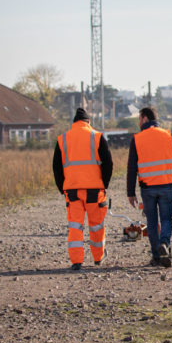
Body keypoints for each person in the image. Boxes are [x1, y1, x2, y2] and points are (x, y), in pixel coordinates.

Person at [126, 107, 172, 267]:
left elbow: (131, 167)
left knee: (152, 222)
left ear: (145, 118)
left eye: (139, 119)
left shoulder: (137, 139)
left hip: (147, 188)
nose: (139, 122)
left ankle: (156, 256)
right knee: (167, 219)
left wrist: (130, 192)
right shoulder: (169, 135)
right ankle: (165, 244)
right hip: (166, 185)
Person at [52, 108, 113, 270]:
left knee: (75, 226)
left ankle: (76, 261)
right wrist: (103, 184)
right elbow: (108, 163)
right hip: (94, 190)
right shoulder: (97, 137)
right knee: (96, 225)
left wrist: (62, 188)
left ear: (74, 123)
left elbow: (56, 168)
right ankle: (98, 258)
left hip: (72, 191)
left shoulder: (63, 139)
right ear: (88, 122)